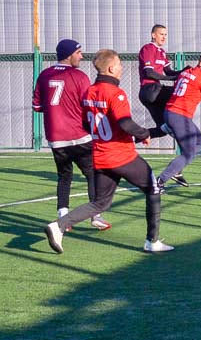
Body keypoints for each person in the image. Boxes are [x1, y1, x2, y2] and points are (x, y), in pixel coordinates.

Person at [44, 49, 173, 254]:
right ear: (111, 68)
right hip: (121, 156)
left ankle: (58, 226)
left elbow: (87, 124)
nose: (122, 67)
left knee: (100, 203)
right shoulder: (116, 93)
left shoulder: (89, 92)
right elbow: (125, 123)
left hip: (101, 157)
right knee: (153, 189)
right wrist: (143, 134)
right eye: (120, 64)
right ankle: (152, 241)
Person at [32, 39, 111, 231]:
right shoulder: (79, 76)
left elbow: (37, 106)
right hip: (78, 135)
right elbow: (88, 106)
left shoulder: (44, 75)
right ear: (69, 55)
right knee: (94, 173)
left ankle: (63, 218)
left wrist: (56, 111)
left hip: (55, 138)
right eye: (78, 53)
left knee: (64, 176)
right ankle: (96, 215)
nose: (81, 56)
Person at [157, 53, 201, 189]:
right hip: (179, 115)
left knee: (199, 141)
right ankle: (160, 181)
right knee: (189, 152)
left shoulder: (186, 72)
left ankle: (177, 169)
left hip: (171, 112)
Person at [138, 24, 190, 187]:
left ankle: (130, 138)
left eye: (166, 34)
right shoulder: (148, 48)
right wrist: (174, 80)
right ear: (153, 35)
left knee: (163, 129)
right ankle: (184, 124)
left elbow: (169, 72)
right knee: (180, 93)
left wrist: (183, 72)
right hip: (150, 90)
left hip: (155, 93)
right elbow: (149, 73)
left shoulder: (161, 52)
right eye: (161, 34)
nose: (164, 37)